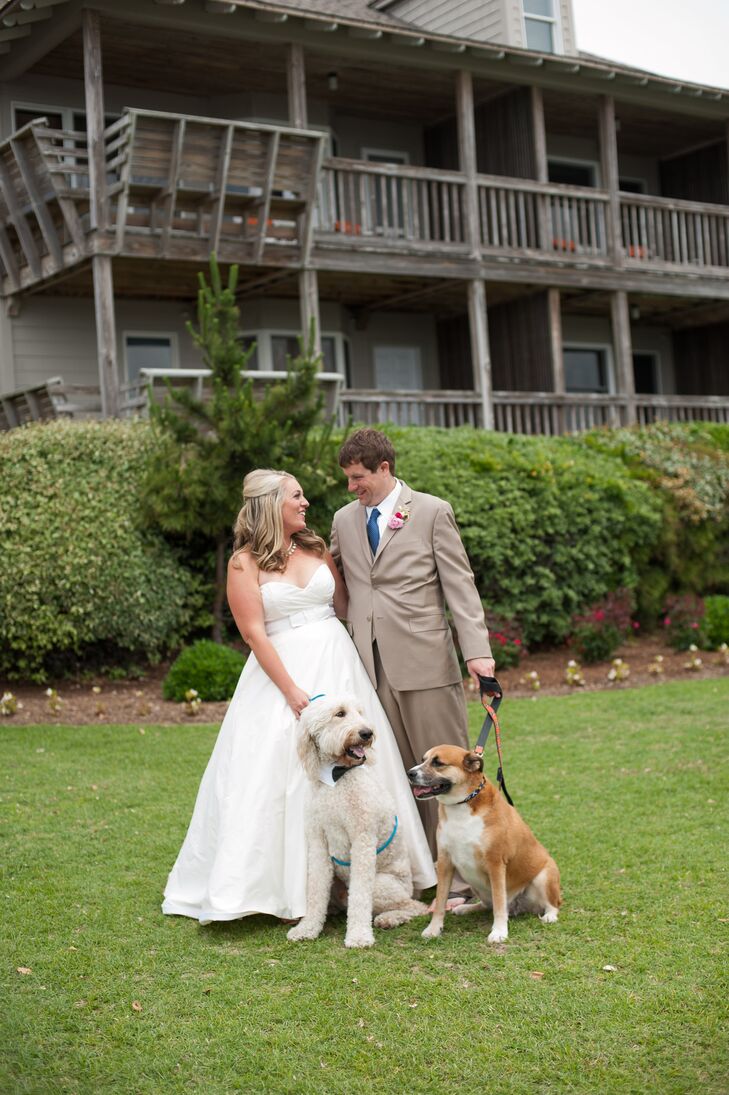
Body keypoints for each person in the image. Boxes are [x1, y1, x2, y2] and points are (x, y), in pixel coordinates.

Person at [162, 468, 435, 925]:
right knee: (278, 777)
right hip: (282, 675)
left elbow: (346, 606)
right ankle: (287, 891)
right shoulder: (243, 564)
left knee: (362, 767)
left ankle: (366, 879)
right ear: (271, 504)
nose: (305, 502)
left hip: (337, 662)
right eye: (296, 496)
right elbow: (253, 633)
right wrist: (291, 692)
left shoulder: (314, 547)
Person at [330, 429, 495, 906]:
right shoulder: (343, 520)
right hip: (369, 667)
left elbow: (460, 587)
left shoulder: (431, 511)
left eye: (358, 477)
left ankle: (467, 882)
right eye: (347, 478)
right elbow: (331, 577)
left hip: (426, 662)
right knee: (399, 780)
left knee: (449, 774)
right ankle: (423, 877)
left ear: (384, 468)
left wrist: (477, 653)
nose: (351, 487)